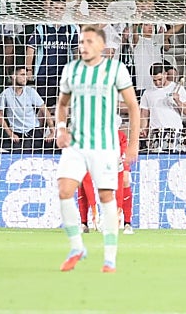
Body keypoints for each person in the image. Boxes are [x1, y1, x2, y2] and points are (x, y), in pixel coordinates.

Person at [55, 25, 141, 273]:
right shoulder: (71, 70)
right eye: (82, 42)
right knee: (64, 189)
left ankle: (110, 258)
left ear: (102, 46)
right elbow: (62, 104)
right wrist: (61, 128)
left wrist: (133, 143)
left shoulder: (115, 69)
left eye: (89, 42)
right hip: (77, 142)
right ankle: (76, 247)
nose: (84, 46)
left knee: (106, 196)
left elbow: (133, 107)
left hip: (105, 144)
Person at [0, 66, 53, 150]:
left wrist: (52, 131)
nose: (25, 77)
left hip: (34, 131)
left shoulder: (30, 91)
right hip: (17, 134)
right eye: (22, 75)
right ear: (13, 76)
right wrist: (10, 134)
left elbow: (44, 110)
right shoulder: (5, 94)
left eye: (26, 75)